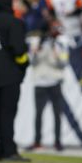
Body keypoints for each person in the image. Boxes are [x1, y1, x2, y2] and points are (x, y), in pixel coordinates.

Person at [0, 0, 29, 162]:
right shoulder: (14, 22)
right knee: (8, 113)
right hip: (10, 75)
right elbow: (18, 50)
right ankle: (9, 151)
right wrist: (24, 65)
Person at [28, 23, 69, 152]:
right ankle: (37, 141)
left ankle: (58, 141)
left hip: (55, 82)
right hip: (40, 82)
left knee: (57, 114)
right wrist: (35, 52)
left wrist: (56, 54)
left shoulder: (60, 44)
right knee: (38, 114)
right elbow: (33, 63)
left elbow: (63, 64)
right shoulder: (36, 44)